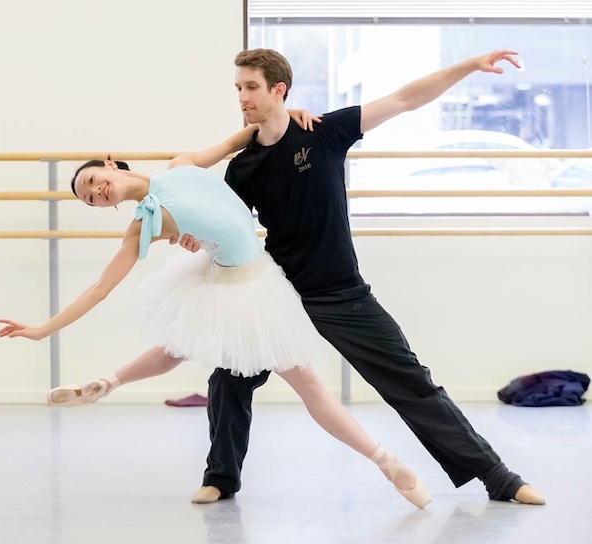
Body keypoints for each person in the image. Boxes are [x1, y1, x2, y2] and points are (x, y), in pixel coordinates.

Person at [42, 48, 546, 506]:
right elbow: (218, 220)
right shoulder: (243, 168)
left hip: (340, 290)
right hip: (276, 286)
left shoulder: (323, 132)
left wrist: (467, 67)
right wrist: (189, 237)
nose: (242, 97)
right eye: (237, 89)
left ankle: (497, 477)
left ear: (278, 90)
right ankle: (222, 477)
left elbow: (405, 99)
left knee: (410, 381)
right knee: (230, 377)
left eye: (251, 87)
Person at [0, 137, 433, 509]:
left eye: (93, 181)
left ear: (110, 164)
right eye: (90, 198)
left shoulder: (179, 166)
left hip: (254, 278)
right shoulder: (143, 225)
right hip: (238, 285)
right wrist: (41, 330)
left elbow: (236, 140)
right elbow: (98, 289)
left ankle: (108, 383)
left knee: (189, 350)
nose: (97, 192)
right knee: (189, 348)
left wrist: (292, 118)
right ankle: (388, 464)